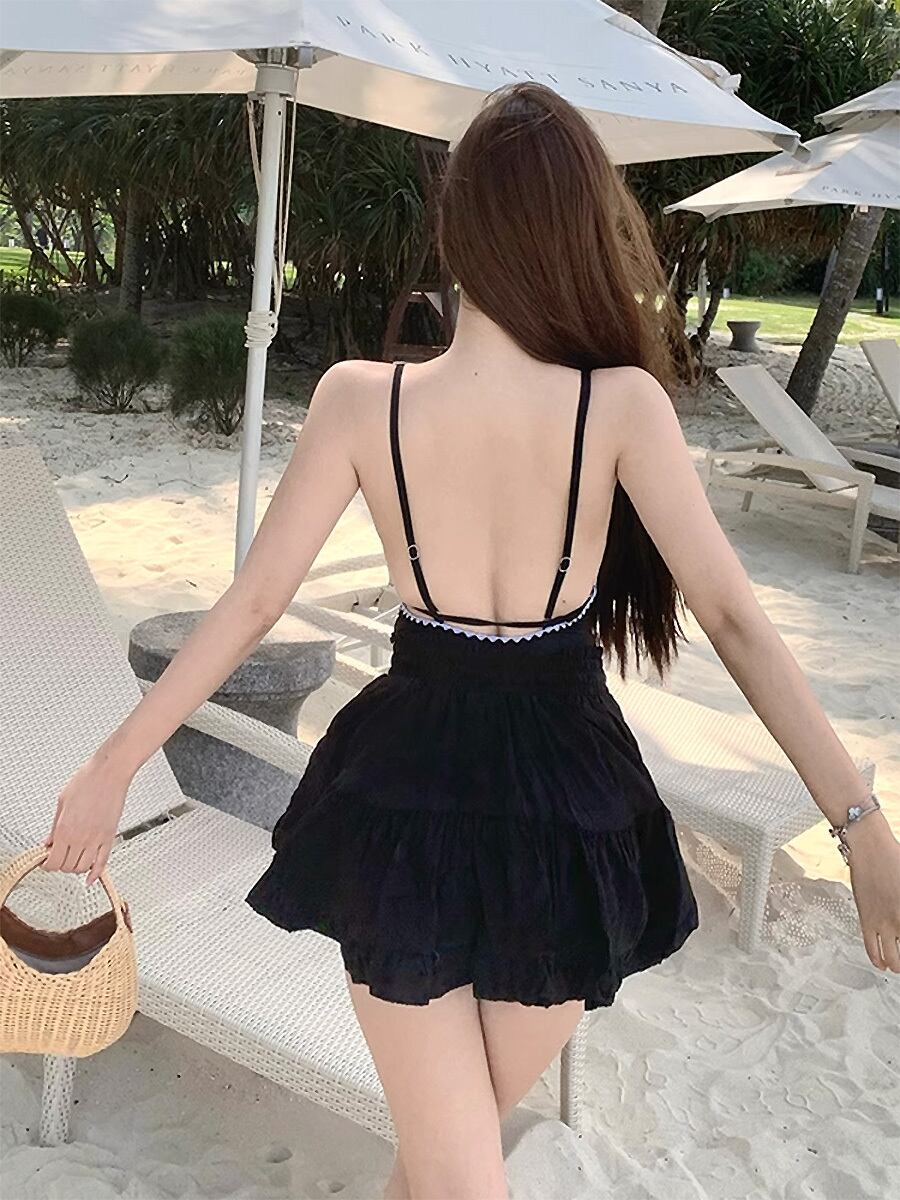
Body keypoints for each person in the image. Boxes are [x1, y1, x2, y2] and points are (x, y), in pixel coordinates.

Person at [43, 83, 899, 1200]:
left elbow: (248, 606)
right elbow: (735, 621)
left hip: (415, 783)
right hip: (565, 797)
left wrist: (113, 766)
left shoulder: (364, 400)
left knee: (442, 1165)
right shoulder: (619, 405)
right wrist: (861, 824)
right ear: (582, 230)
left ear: (455, 227)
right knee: (458, 1167)